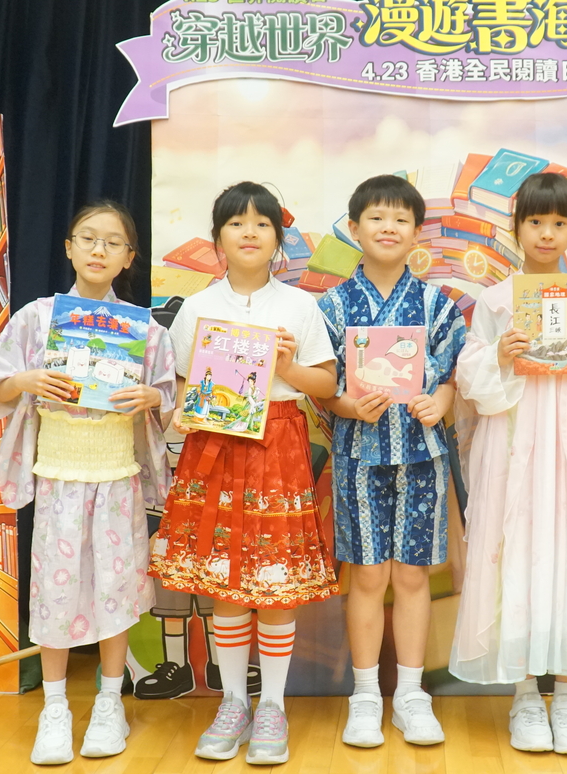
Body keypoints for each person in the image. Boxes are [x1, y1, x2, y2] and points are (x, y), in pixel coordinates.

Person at [0, 201, 176, 765]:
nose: (98, 250)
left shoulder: (145, 329)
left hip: (116, 474)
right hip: (60, 474)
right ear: (68, 247)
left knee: (115, 585)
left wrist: (153, 396)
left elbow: (172, 401)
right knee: (54, 589)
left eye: (113, 242)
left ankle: (110, 702)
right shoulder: (37, 319)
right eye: (88, 238)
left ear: (129, 257)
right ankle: (55, 707)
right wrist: (24, 380)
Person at [150, 182, 339, 764]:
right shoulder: (198, 308)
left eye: (262, 223)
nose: (249, 232)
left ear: (278, 238)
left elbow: (327, 384)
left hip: (279, 446)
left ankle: (273, 706)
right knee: (224, 580)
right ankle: (233, 702)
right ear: (218, 238)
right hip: (215, 449)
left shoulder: (299, 305)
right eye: (236, 223)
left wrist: (288, 366)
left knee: (275, 581)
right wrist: (186, 407)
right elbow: (180, 387)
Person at [450, 172, 567, 755]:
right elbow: (471, 378)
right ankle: (526, 696)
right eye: (535, 222)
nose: (546, 234)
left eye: (559, 223)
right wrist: (498, 357)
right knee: (518, 555)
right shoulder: (497, 302)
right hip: (516, 447)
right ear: (517, 228)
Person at [317, 175, 467, 747]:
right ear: (355, 229)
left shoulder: (437, 305)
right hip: (358, 457)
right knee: (367, 575)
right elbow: (323, 385)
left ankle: (409, 694)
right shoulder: (332, 307)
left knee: (410, 575)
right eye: (376, 218)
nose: (388, 227)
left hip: (421, 456)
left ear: (416, 233)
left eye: (401, 219)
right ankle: (363, 696)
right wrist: (345, 404)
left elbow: (453, 377)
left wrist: (441, 403)